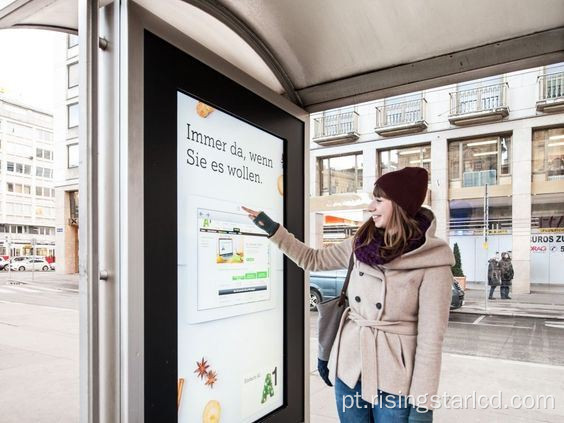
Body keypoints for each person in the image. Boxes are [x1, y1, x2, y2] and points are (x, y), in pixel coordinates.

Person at [243, 167, 454, 422]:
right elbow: (313, 259)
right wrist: (274, 229)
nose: (370, 207)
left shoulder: (433, 260)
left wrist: (422, 405)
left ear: (399, 204)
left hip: (396, 380)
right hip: (350, 368)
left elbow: (431, 340)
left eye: (378, 200)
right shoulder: (361, 243)